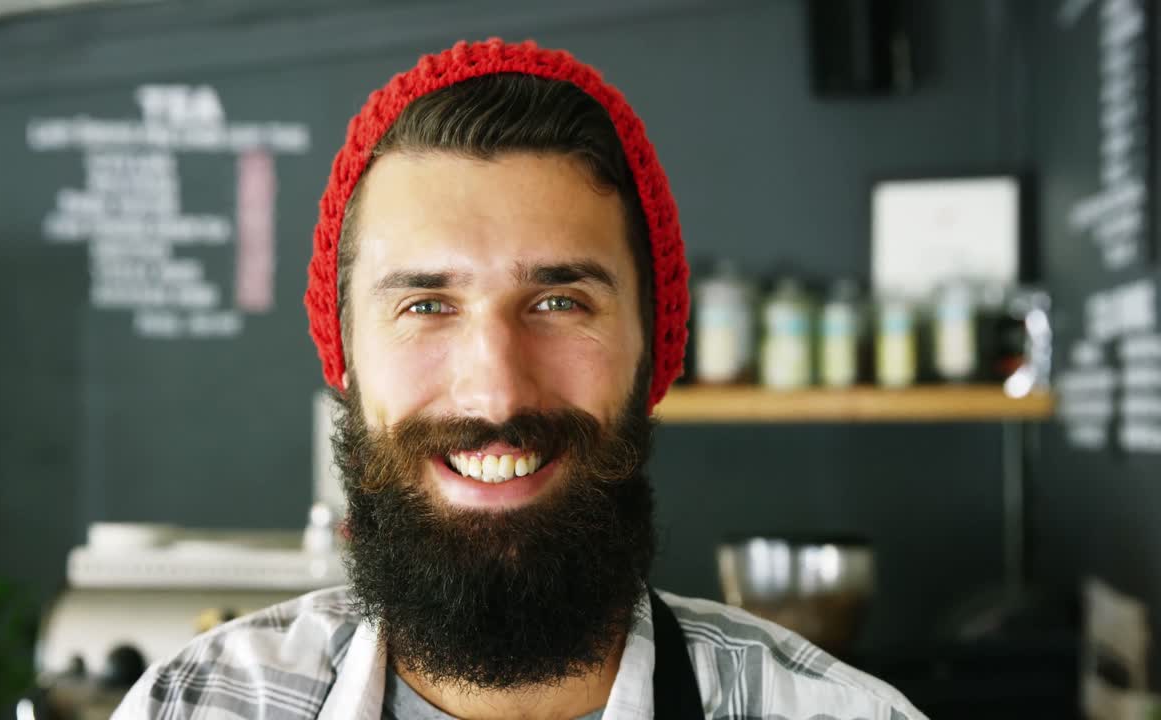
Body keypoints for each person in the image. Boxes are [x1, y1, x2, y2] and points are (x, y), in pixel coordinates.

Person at [114, 39, 927, 720]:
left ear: (654, 349)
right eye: (426, 305)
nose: (496, 392)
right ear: (346, 358)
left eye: (559, 302)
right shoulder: (190, 706)